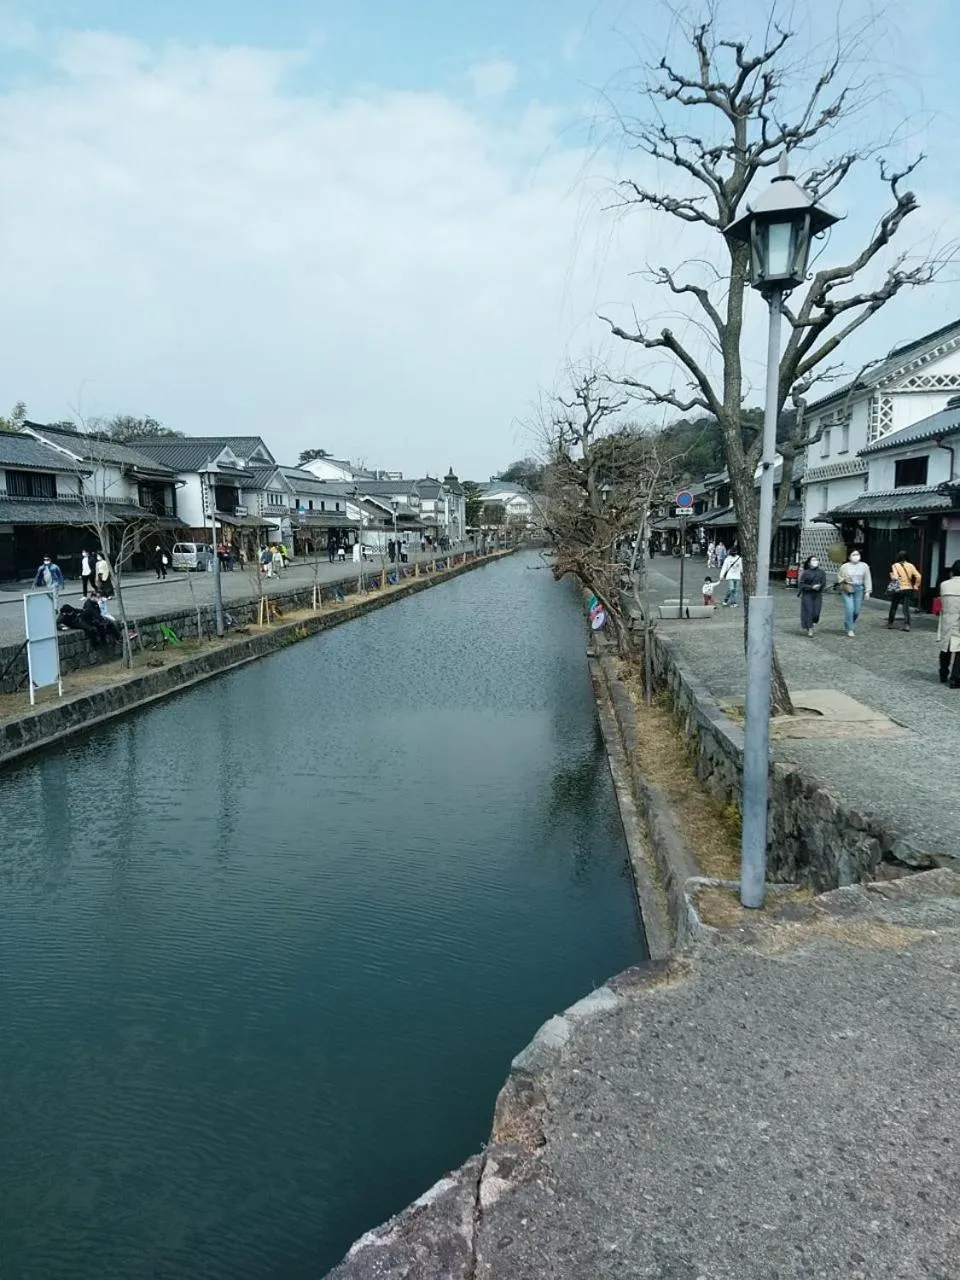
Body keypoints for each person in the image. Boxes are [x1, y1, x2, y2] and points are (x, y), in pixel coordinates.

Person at [837, 548, 872, 637]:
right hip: (848, 588)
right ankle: (850, 628)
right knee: (850, 608)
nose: (856, 556)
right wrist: (844, 580)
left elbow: (867, 578)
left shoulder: (864, 566)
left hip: (859, 589)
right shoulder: (844, 566)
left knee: (856, 611)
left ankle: (849, 622)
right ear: (849, 557)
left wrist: (867, 591)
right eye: (854, 555)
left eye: (857, 554)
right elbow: (839, 577)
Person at [938, 559, 960, 688]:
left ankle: (943, 672)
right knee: (959, 649)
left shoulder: (944, 585)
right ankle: (955, 678)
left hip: (947, 618)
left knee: (946, 646)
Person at [886, 550, 922, 630]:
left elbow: (895, 577)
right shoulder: (911, 565)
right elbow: (919, 576)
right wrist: (916, 585)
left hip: (899, 588)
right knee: (906, 608)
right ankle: (907, 625)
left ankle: (890, 623)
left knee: (894, 606)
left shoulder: (895, 565)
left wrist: (892, 576)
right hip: (908, 588)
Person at [797, 555, 827, 636]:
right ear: (809, 563)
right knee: (809, 611)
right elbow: (801, 584)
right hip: (807, 594)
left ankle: (812, 622)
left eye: (816, 560)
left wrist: (819, 586)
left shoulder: (821, 572)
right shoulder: (805, 573)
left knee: (816, 613)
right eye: (813, 560)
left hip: (817, 594)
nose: (815, 561)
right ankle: (810, 628)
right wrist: (811, 587)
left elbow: (824, 583)